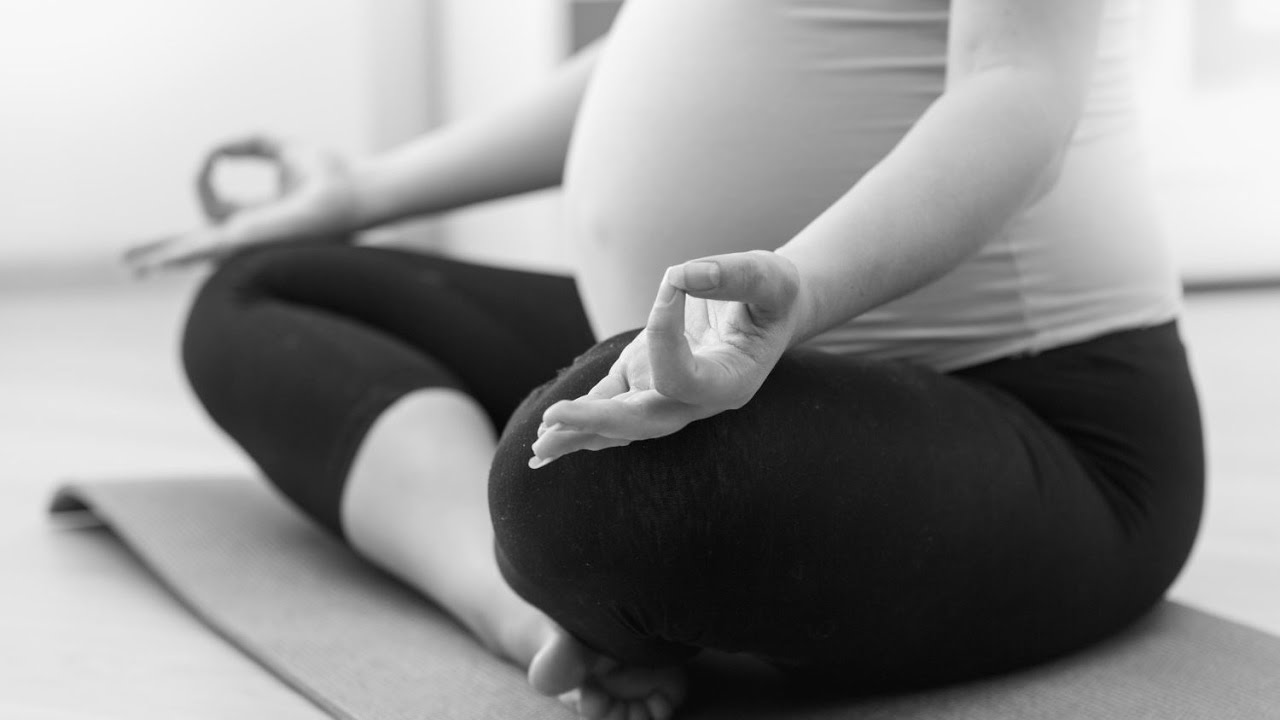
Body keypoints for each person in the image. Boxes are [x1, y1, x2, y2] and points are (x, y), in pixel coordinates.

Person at [124, 1, 1204, 718]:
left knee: (596, 488)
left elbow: (1017, 86)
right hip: (717, 360)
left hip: (1033, 418)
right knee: (267, 290)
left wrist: (800, 290)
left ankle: (565, 575)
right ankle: (527, 610)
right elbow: (665, 44)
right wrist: (367, 191)